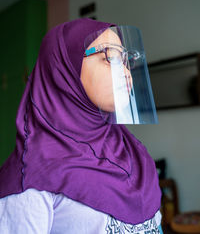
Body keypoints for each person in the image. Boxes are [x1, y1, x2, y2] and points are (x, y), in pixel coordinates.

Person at [0, 18, 163, 233]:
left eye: (125, 60)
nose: (125, 72)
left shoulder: (134, 152)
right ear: (65, 69)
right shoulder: (30, 179)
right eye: (110, 57)